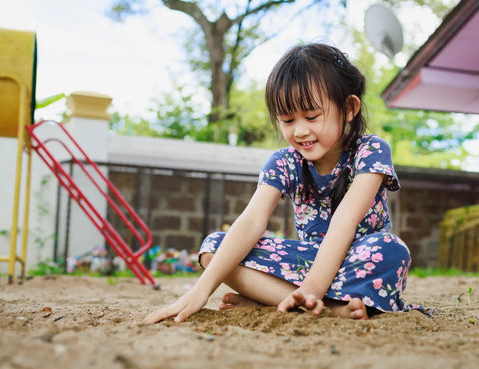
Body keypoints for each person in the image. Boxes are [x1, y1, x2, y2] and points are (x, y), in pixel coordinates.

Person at [143, 42, 429, 324]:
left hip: (358, 262)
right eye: (288, 120)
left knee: (391, 249)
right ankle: (323, 307)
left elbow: (346, 220)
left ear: (350, 108)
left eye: (312, 116)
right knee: (214, 248)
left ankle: (288, 299)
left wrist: (311, 290)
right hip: (306, 264)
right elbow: (251, 222)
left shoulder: (371, 151)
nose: (300, 131)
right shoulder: (283, 162)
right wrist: (200, 292)